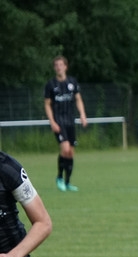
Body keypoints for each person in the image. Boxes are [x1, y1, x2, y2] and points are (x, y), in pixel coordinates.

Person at [43, 55, 88, 192]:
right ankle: (59, 178)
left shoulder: (72, 82)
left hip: (70, 121)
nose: (59, 67)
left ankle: (67, 182)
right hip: (59, 121)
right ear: (54, 68)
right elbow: (47, 104)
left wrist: (82, 114)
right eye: (56, 65)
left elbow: (78, 99)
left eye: (61, 65)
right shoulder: (51, 85)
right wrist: (52, 122)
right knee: (65, 149)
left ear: (65, 67)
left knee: (70, 153)